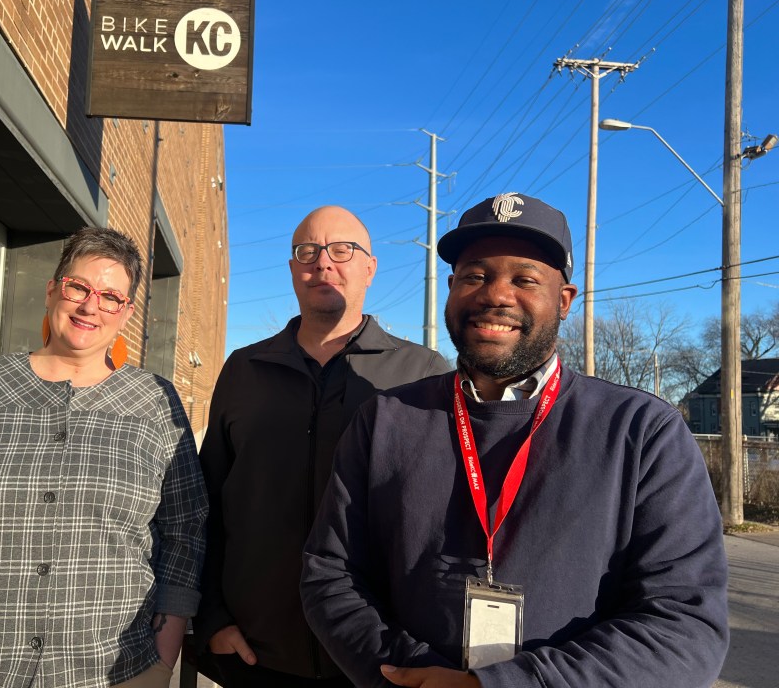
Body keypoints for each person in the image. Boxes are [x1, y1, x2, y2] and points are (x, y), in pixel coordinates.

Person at [301, 192, 729, 688]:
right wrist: (410, 676)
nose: (495, 296)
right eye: (475, 276)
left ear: (564, 300)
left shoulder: (642, 431)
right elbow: (331, 574)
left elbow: (684, 623)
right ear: (451, 289)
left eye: (524, 279)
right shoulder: (385, 421)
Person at [0, 226, 208, 688]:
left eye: (110, 297)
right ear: (53, 289)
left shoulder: (154, 403)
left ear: (126, 313)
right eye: (79, 287)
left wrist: (159, 667)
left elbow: (185, 532)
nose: (91, 306)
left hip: (111, 673)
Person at [193, 205, 450, 687]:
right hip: (254, 653)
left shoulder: (423, 374)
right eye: (308, 251)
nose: (323, 262)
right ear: (293, 268)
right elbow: (205, 503)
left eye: (342, 250)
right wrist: (211, 619)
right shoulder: (245, 369)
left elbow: (444, 520)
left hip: (380, 660)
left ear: (370, 268)